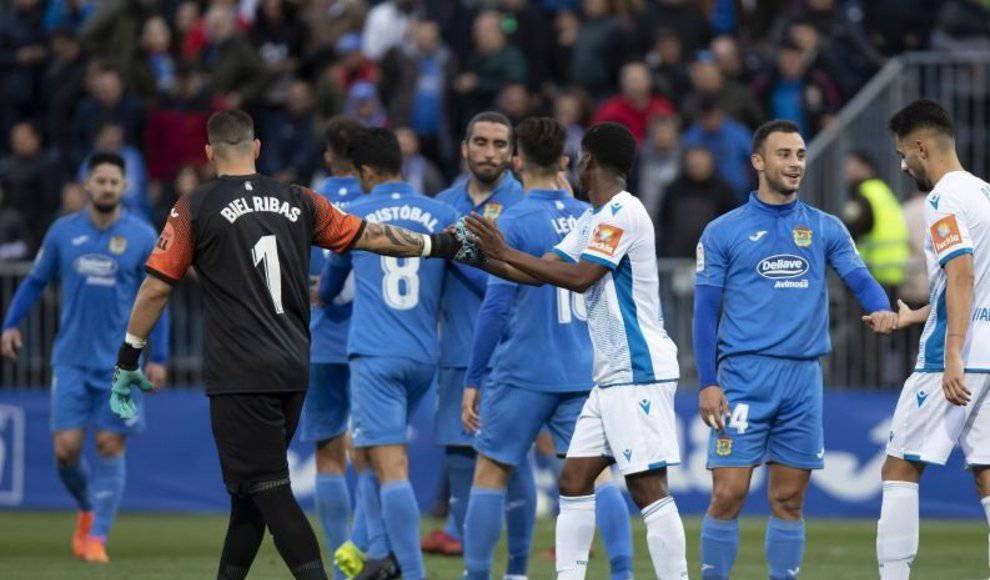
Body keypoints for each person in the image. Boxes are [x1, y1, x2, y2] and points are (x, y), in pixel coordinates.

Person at [108, 110, 479, 580]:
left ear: (207, 153)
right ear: (257, 148)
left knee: (269, 488)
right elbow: (370, 236)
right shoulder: (300, 200)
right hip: (292, 366)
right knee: (249, 494)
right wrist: (437, 246)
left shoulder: (193, 207)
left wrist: (128, 358)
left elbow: (157, 286)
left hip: (240, 371)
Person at [466, 122, 688, 580]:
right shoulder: (594, 217)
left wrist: (504, 247)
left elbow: (581, 277)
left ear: (588, 160)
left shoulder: (623, 213)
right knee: (574, 479)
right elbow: (545, 270)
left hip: (637, 368)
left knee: (647, 486)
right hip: (608, 376)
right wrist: (476, 255)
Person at [692, 120, 896, 580]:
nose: (796, 163)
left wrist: (881, 308)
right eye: (784, 154)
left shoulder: (824, 227)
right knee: (727, 494)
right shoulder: (723, 231)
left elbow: (860, 278)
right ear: (758, 162)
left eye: (801, 155)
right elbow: (705, 311)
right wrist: (708, 381)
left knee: (789, 500)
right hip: (742, 377)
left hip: (802, 381)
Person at [0, 152, 170, 564]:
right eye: (101, 181)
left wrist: (159, 355)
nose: (108, 187)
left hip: (122, 364)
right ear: (86, 185)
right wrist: (10, 324)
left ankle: (97, 537)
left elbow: (158, 296)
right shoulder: (62, 233)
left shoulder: (143, 235)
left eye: (115, 181)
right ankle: (88, 506)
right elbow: (35, 281)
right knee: (66, 451)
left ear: (124, 187)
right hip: (71, 360)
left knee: (111, 444)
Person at [317, 127, 459, 580]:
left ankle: (405, 570)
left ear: (366, 171)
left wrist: (324, 293)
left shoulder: (357, 213)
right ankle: (372, 550)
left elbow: (334, 277)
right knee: (368, 455)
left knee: (388, 463)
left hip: (375, 354)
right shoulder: (441, 212)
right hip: (423, 354)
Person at [866, 99, 990, 580]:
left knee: (899, 469)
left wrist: (952, 351)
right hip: (988, 350)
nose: (903, 164)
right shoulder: (983, 193)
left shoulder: (942, 199)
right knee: (986, 472)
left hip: (951, 357)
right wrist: (911, 316)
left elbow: (960, 274)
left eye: (904, 153)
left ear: (921, 146)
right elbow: (974, 281)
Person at [428, 111, 526, 557]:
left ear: (513, 153)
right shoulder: (442, 202)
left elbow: (521, 282)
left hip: (511, 354)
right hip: (456, 351)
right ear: (465, 147)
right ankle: (461, 537)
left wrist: (460, 250)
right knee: (456, 447)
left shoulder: (525, 205)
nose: (489, 152)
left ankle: (522, 554)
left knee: (512, 454)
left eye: (499, 144)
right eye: (481, 142)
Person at [297, 116, 365, 575]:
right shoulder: (373, 200)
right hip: (370, 338)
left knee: (327, 450)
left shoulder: (303, 201)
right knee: (377, 451)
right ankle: (366, 547)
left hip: (320, 337)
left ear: (327, 156)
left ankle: (342, 559)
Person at [842, 150, 910, 291]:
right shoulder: (881, 189)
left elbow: (857, 227)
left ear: (866, 167)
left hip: (875, 267)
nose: (847, 171)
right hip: (893, 266)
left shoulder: (865, 193)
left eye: (852, 166)